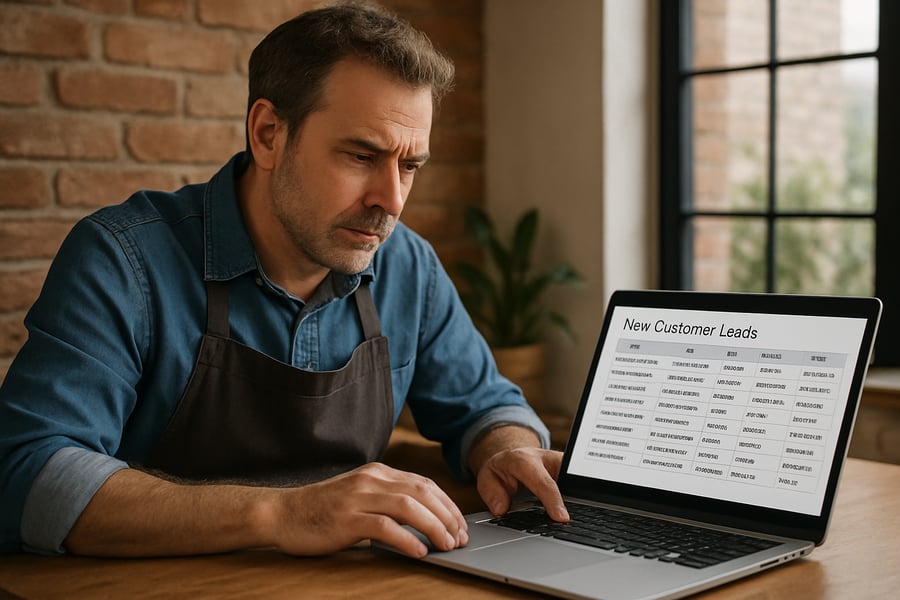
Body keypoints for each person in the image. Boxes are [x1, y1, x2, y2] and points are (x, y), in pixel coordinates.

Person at [0, 1, 568, 558]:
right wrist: (283, 513)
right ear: (268, 133)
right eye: (361, 155)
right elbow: (28, 474)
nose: (390, 200)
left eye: (409, 165)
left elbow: (488, 407)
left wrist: (505, 450)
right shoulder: (124, 259)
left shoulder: (408, 267)